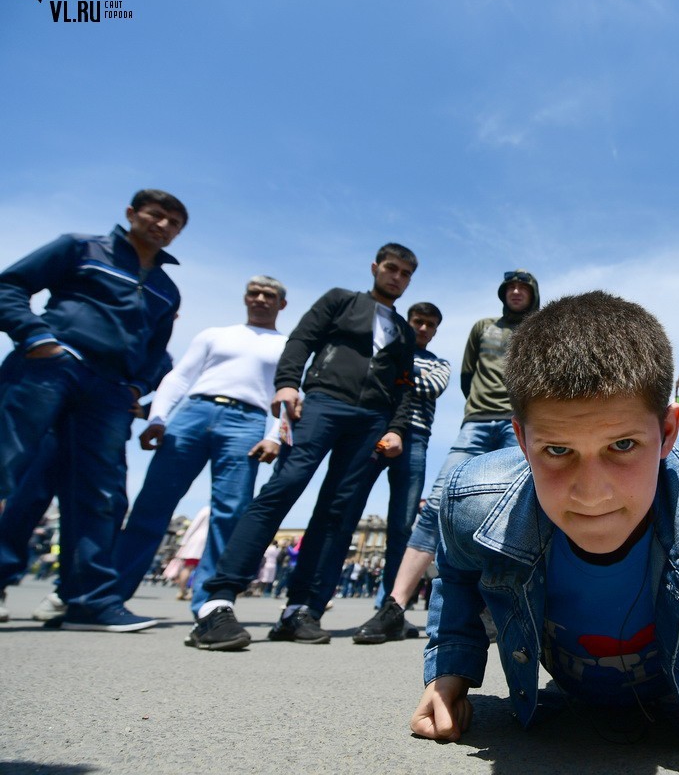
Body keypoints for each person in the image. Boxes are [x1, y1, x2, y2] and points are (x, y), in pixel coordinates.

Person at [411, 291, 679, 758]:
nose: (592, 492)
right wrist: (449, 670)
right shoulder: (470, 499)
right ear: (521, 439)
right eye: (558, 450)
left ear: (669, 433)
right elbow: (455, 573)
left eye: (622, 446)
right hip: (568, 704)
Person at [186, 243, 419, 650]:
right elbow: (301, 340)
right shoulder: (340, 301)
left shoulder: (402, 331)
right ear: (375, 267)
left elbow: (404, 387)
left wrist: (397, 428)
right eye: (391, 268)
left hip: (371, 422)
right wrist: (287, 382)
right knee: (283, 488)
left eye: (405, 273)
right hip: (323, 403)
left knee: (340, 512)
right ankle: (216, 602)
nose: (396, 277)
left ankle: (301, 610)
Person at [0, 189, 187, 631]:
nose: (162, 226)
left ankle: (88, 600)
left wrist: (135, 388)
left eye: (173, 223)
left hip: (109, 391)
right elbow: (10, 286)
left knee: (102, 492)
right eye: (155, 216)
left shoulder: (166, 289)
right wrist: (35, 337)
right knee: (13, 474)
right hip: (50, 368)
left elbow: (158, 354)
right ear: (131, 214)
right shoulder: (80, 248)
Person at [352, 270, 539, 645]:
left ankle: (493, 609)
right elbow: (469, 376)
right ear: (503, 292)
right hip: (477, 422)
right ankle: (394, 605)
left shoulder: (540, 330)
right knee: (438, 503)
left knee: (511, 509)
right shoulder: (483, 327)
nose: (516, 292)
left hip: (519, 423)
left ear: (533, 294)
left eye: (524, 287)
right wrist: (483, 405)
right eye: (510, 287)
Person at [110, 276, 289, 618]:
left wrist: (274, 435)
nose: (261, 299)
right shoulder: (214, 334)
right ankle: (110, 594)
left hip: (248, 420)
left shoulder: (286, 345)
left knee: (230, 513)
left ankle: (208, 603)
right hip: (194, 412)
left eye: (269, 295)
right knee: (153, 502)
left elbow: (288, 393)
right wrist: (158, 418)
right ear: (245, 298)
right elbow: (179, 377)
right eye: (254, 293)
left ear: (282, 304)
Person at [371, 302, 450, 606]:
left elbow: (432, 386)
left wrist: (399, 369)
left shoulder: (439, 363)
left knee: (403, 521)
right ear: (408, 321)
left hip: (416, 436)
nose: (423, 329)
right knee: (345, 508)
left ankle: (388, 602)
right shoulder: (389, 351)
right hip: (377, 428)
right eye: (418, 321)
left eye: (430, 325)